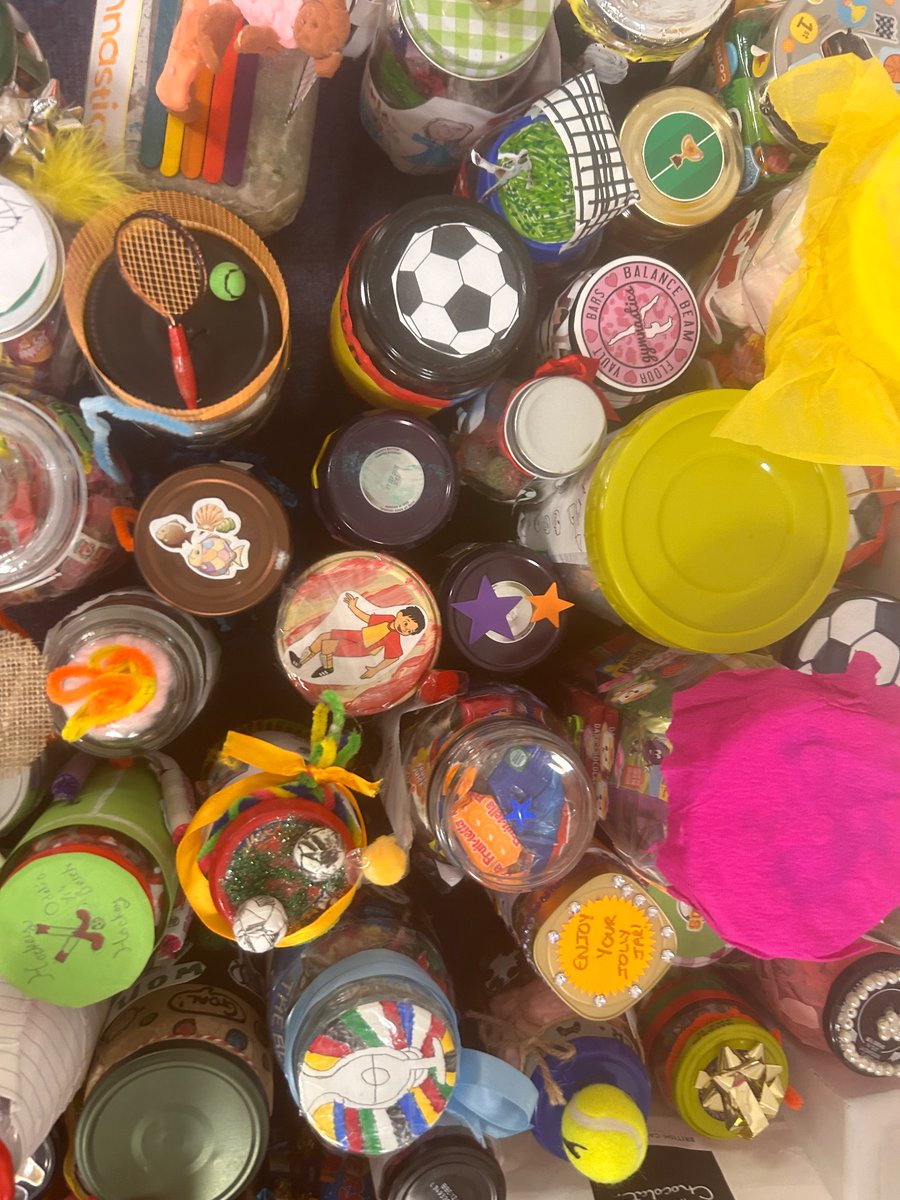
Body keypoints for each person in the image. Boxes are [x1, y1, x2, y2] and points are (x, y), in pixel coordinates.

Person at [287, 592, 426, 680]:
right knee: (323, 636)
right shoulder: (389, 618)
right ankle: (301, 662)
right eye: (406, 623)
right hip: (357, 635)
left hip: (361, 647)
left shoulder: (394, 639)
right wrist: (353, 607)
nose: (405, 629)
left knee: (327, 645)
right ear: (400, 615)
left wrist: (375, 670)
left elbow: (393, 657)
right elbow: (367, 618)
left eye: (408, 631)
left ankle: (327, 667)